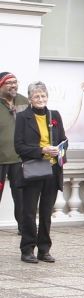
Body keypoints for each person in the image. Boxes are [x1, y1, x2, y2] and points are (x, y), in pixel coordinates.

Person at [13, 82, 66, 264]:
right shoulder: (22, 117)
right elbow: (19, 147)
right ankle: (27, 249)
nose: (41, 99)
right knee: (28, 211)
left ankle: (44, 249)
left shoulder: (55, 115)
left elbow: (64, 141)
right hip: (34, 169)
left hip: (52, 170)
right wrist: (42, 150)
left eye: (43, 96)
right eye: (37, 96)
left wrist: (60, 151)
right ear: (30, 99)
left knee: (46, 212)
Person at [0, 71, 29, 232]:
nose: (13, 85)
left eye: (15, 82)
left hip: (19, 159)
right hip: (0, 159)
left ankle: (23, 227)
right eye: (9, 82)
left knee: (21, 196)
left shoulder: (24, 101)